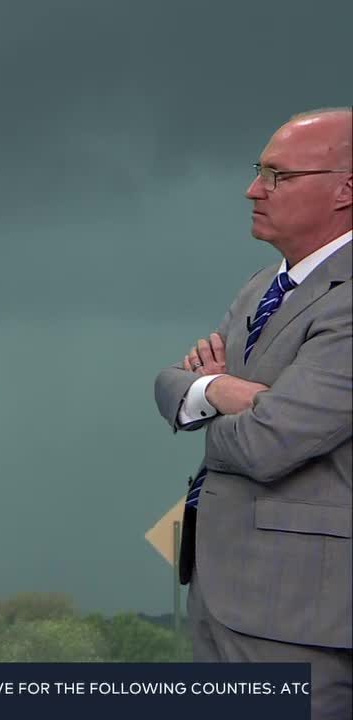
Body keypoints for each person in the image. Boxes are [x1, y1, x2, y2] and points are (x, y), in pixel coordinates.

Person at [153, 107, 352, 719]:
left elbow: (272, 441)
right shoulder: (264, 285)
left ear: (345, 190)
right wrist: (217, 392)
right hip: (229, 591)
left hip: (296, 608)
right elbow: (172, 385)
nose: (252, 189)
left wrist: (213, 393)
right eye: (258, 171)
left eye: (277, 175)